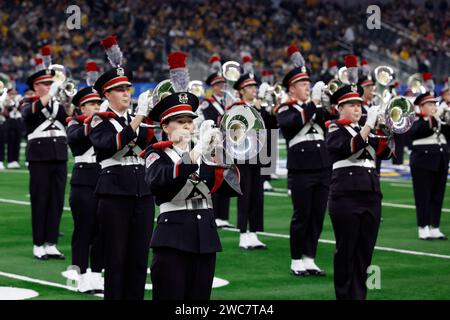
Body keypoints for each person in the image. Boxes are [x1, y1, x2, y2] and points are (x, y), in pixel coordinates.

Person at [144, 52, 241, 300]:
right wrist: (196, 152)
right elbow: (160, 181)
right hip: (173, 239)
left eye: (190, 121)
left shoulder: (206, 154)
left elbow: (231, 189)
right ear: (165, 127)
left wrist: (219, 152)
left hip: (205, 237)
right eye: (180, 121)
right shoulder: (156, 155)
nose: (187, 126)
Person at [88, 35, 156, 299]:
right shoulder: (98, 120)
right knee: (115, 260)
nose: (127, 93)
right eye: (120, 89)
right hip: (114, 193)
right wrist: (139, 117)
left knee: (139, 261)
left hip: (143, 192)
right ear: (107, 94)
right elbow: (112, 144)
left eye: (128, 88)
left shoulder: (140, 120)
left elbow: (153, 146)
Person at [326, 84, 392, 300]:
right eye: (352, 105)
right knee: (347, 250)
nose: (357, 109)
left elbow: (388, 152)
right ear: (339, 107)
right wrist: (368, 125)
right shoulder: (335, 128)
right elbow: (349, 147)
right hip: (346, 195)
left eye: (359, 105)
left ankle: (358, 296)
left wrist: (387, 128)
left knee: (365, 251)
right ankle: (344, 296)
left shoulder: (366, 130)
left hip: (371, 194)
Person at [275, 44, 331, 276]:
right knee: (302, 215)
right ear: (291, 88)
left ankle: (310, 257)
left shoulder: (316, 107)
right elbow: (291, 125)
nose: (307, 87)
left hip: (323, 167)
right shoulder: (284, 109)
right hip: (301, 170)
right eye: (303, 84)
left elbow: (331, 119)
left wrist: (322, 103)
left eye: (308, 84)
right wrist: (312, 104)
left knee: (317, 216)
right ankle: (296, 259)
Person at [21, 49, 72, 260]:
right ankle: (38, 243)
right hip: (39, 157)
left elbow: (70, 115)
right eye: (46, 84)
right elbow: (29, 115)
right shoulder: (27, 103)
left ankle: (51, 242)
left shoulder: (57, 104)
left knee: (57, 201)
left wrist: (68, 98)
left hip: (59, 155)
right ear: (35, 87)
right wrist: (54, 91)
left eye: (51, 84)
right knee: (40, 200)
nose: (50, 87)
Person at [66, 63, 104, 293]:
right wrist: (94, 121)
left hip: (104, 181)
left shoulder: (106, 122)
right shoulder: (76, 123)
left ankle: (96, 275)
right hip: (83, 183)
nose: (97, 107)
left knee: (102, 232)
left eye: (98, 103)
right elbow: (76, 139)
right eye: (92, 104)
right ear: (81, 107)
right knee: (84, 230)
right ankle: (81, 277)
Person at [226, 72, 268, 250]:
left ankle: (254, 233)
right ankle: (243, 234)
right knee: (245, 195)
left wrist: (265, 110)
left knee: (258, 196)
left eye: (254, 87)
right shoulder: (237, 107)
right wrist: (255, 111)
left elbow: (271, 127)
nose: (254, 89)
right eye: (250, 87)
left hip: (259, 154)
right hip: (242, 156)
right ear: (241, 90)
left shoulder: (259, 106)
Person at [200, 55, 233, 228]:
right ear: (213, 87)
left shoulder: (228, 102)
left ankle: (224, 217)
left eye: (223, 84)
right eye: (219, 85)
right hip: (213, 146)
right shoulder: (207, 103)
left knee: (227, 178)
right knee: (215, 179)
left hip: (227, 145)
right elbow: (210, 122)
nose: (222, 87)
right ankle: (214, 215)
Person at [410, 92, 448, 240]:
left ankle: (434, 226)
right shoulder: (416, 120)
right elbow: (419, 131)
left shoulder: (439, 120)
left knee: (437, 196)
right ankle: (423, 227)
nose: (433, 107)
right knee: (423, 196)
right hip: (423, 162)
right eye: (430, 104)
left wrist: (443, 119)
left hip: (441, 161)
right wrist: (434, 119)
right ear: (421, 106)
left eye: (434, 104)